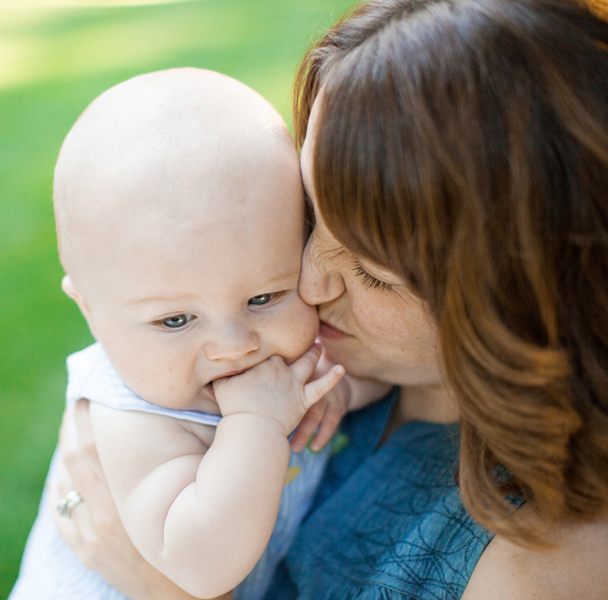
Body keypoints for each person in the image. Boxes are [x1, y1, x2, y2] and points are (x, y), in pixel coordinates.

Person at [48, 0, 608, 598]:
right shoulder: (187, 381)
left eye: (374, 275)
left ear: (523, 295)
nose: (307, 285)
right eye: (310, 216)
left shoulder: (545, 563)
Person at [10, 68, 386, 600]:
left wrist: (341, 390)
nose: (234, 345)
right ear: (92, 314)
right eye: (175, 321)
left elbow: (383, 373)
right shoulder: (133, 417)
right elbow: (202, 567)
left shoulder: (277, 360)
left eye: (263, 298)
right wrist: (256, 422)